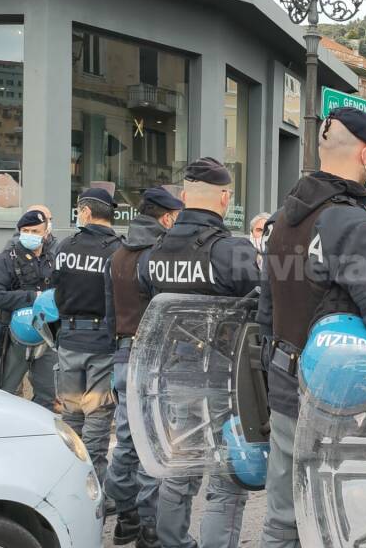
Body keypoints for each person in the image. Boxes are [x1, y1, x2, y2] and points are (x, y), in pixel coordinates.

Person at [257, 107, 366, 548]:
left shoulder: (282, 221)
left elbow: (266, 311)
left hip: (286, 386)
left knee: (282, 518)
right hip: (340, 398)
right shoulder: (349, 222)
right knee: (343, 523)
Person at [139, 158, 261, 548]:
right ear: (225, 198)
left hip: (174, 378)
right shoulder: (232, 251)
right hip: (225, 382)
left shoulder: (154, 253)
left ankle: (172, 542)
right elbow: (263, 308)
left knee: (181, 470)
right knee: (227, 482)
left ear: (186, 197)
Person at [104, 187, 182, 548]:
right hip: (153, 358)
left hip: (122, 353)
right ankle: (149, 528)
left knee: (125, 443)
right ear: (166, 217)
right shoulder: (158, 255)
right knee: (152, 442)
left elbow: (110, 314)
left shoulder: (117, 253)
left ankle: (126, 518)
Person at [52, 188, 122, 493]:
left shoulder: (65, 246)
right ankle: (92, 488)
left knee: (70, 415)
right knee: (97, 418)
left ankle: (67, 482)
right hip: (102, 342)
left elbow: (56, 289)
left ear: (86, 212)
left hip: (68, 340)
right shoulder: (118, 250)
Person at [0, 209, 56, 409]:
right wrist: (33, 297)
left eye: (35, 231)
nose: (30, 235)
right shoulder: (5, 259)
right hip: (13, 335)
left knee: (49, 394)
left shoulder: (52, 258)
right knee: (4, 393)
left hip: (47, 335)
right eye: (26, 230)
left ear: (46, 233)